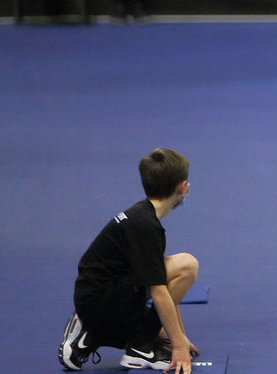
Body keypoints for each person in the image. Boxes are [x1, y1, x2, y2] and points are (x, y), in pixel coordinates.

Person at [58, 148, 198, 373]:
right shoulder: (146, 227)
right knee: (187, 265)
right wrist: (179, 346)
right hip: (102, 301)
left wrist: (178, 337)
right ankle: (140, 349)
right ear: (182, 187)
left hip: (99, 296)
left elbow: (157, 278)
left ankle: (90, 335)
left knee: (163, 333)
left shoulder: (142, 214)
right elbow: (159, 292)